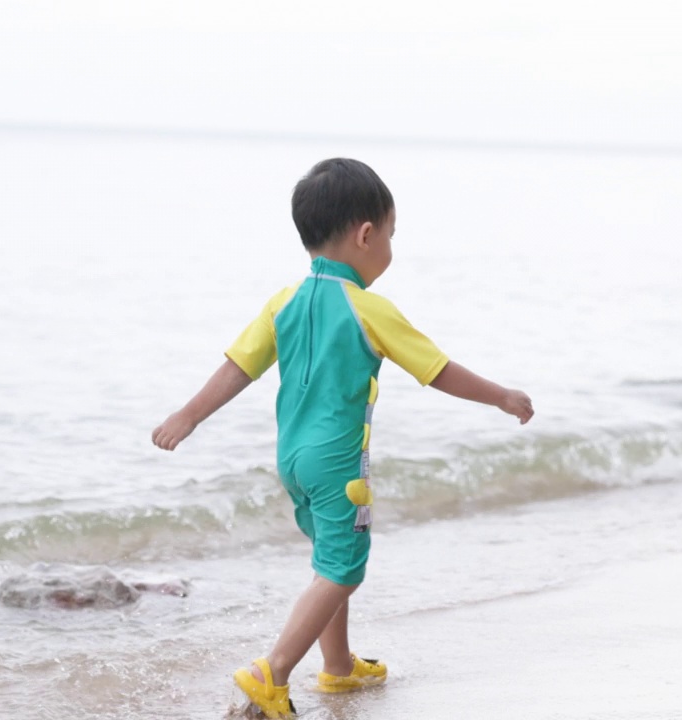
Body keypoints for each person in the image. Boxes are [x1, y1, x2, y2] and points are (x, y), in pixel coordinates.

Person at [152, 158, 534, 718]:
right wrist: (501, 395)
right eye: (392, 236)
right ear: (365, 235)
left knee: (327, 560)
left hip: (293, 460)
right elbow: (438, 370)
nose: (391, 251)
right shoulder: (368, 308)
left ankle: (338, 667)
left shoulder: (282, 303)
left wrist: (187, 416)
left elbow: (238, 367)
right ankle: (272, 671)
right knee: (345, 565)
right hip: (338, 466)